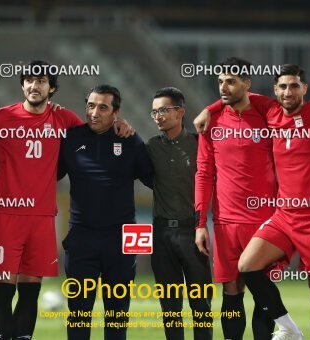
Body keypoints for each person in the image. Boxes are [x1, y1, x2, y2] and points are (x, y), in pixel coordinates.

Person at [196, 64, 310, 340]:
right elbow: (241, 94)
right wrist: (212, 107)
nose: (287, 92)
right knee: (247, 265)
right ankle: (289, 329)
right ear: (274, 91)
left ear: (304, 88)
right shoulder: (271, 111)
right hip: (283, 215)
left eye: (294, 86)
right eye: (282, 87)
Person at [0, 62, 135, 340]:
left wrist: (119, 124)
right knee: (3, 290)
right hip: (7, 216)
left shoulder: (64, 120)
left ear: (51, 88)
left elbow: (95, 130)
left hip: (42, 217)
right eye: (28, 80)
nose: (34, 85)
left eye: (41, 81)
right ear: (22, 85)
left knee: (31, 292)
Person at [58, 84, 154, 340]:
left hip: (123, 237)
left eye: (103, 107)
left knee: (118, 314)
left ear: (116, 112)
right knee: (78, 313)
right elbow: (48, 175)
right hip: (81, 237)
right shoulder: (70, 138)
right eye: (90, 106)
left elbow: (154, 180)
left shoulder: (129, 139)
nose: (94, 112)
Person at [194, 57, 277, 340]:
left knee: (263, 290)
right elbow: (203, 174)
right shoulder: (212, 124)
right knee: (231, 291)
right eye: (220, 82)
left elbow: (283, 103)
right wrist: (200, 223)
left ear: (247, 84)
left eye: (231, 81)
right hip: (226, 221)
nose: (224, 87)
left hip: (265, 221)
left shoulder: (267, 113)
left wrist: (209, 106)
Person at [146, 87, 213, 340]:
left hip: (192, 231)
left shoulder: (200, 144)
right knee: (170, 308)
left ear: (180, 112)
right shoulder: (151, 147)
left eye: (163, 110)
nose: (158, 116)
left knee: (201, 305)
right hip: (161, 234)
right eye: (154, 112)